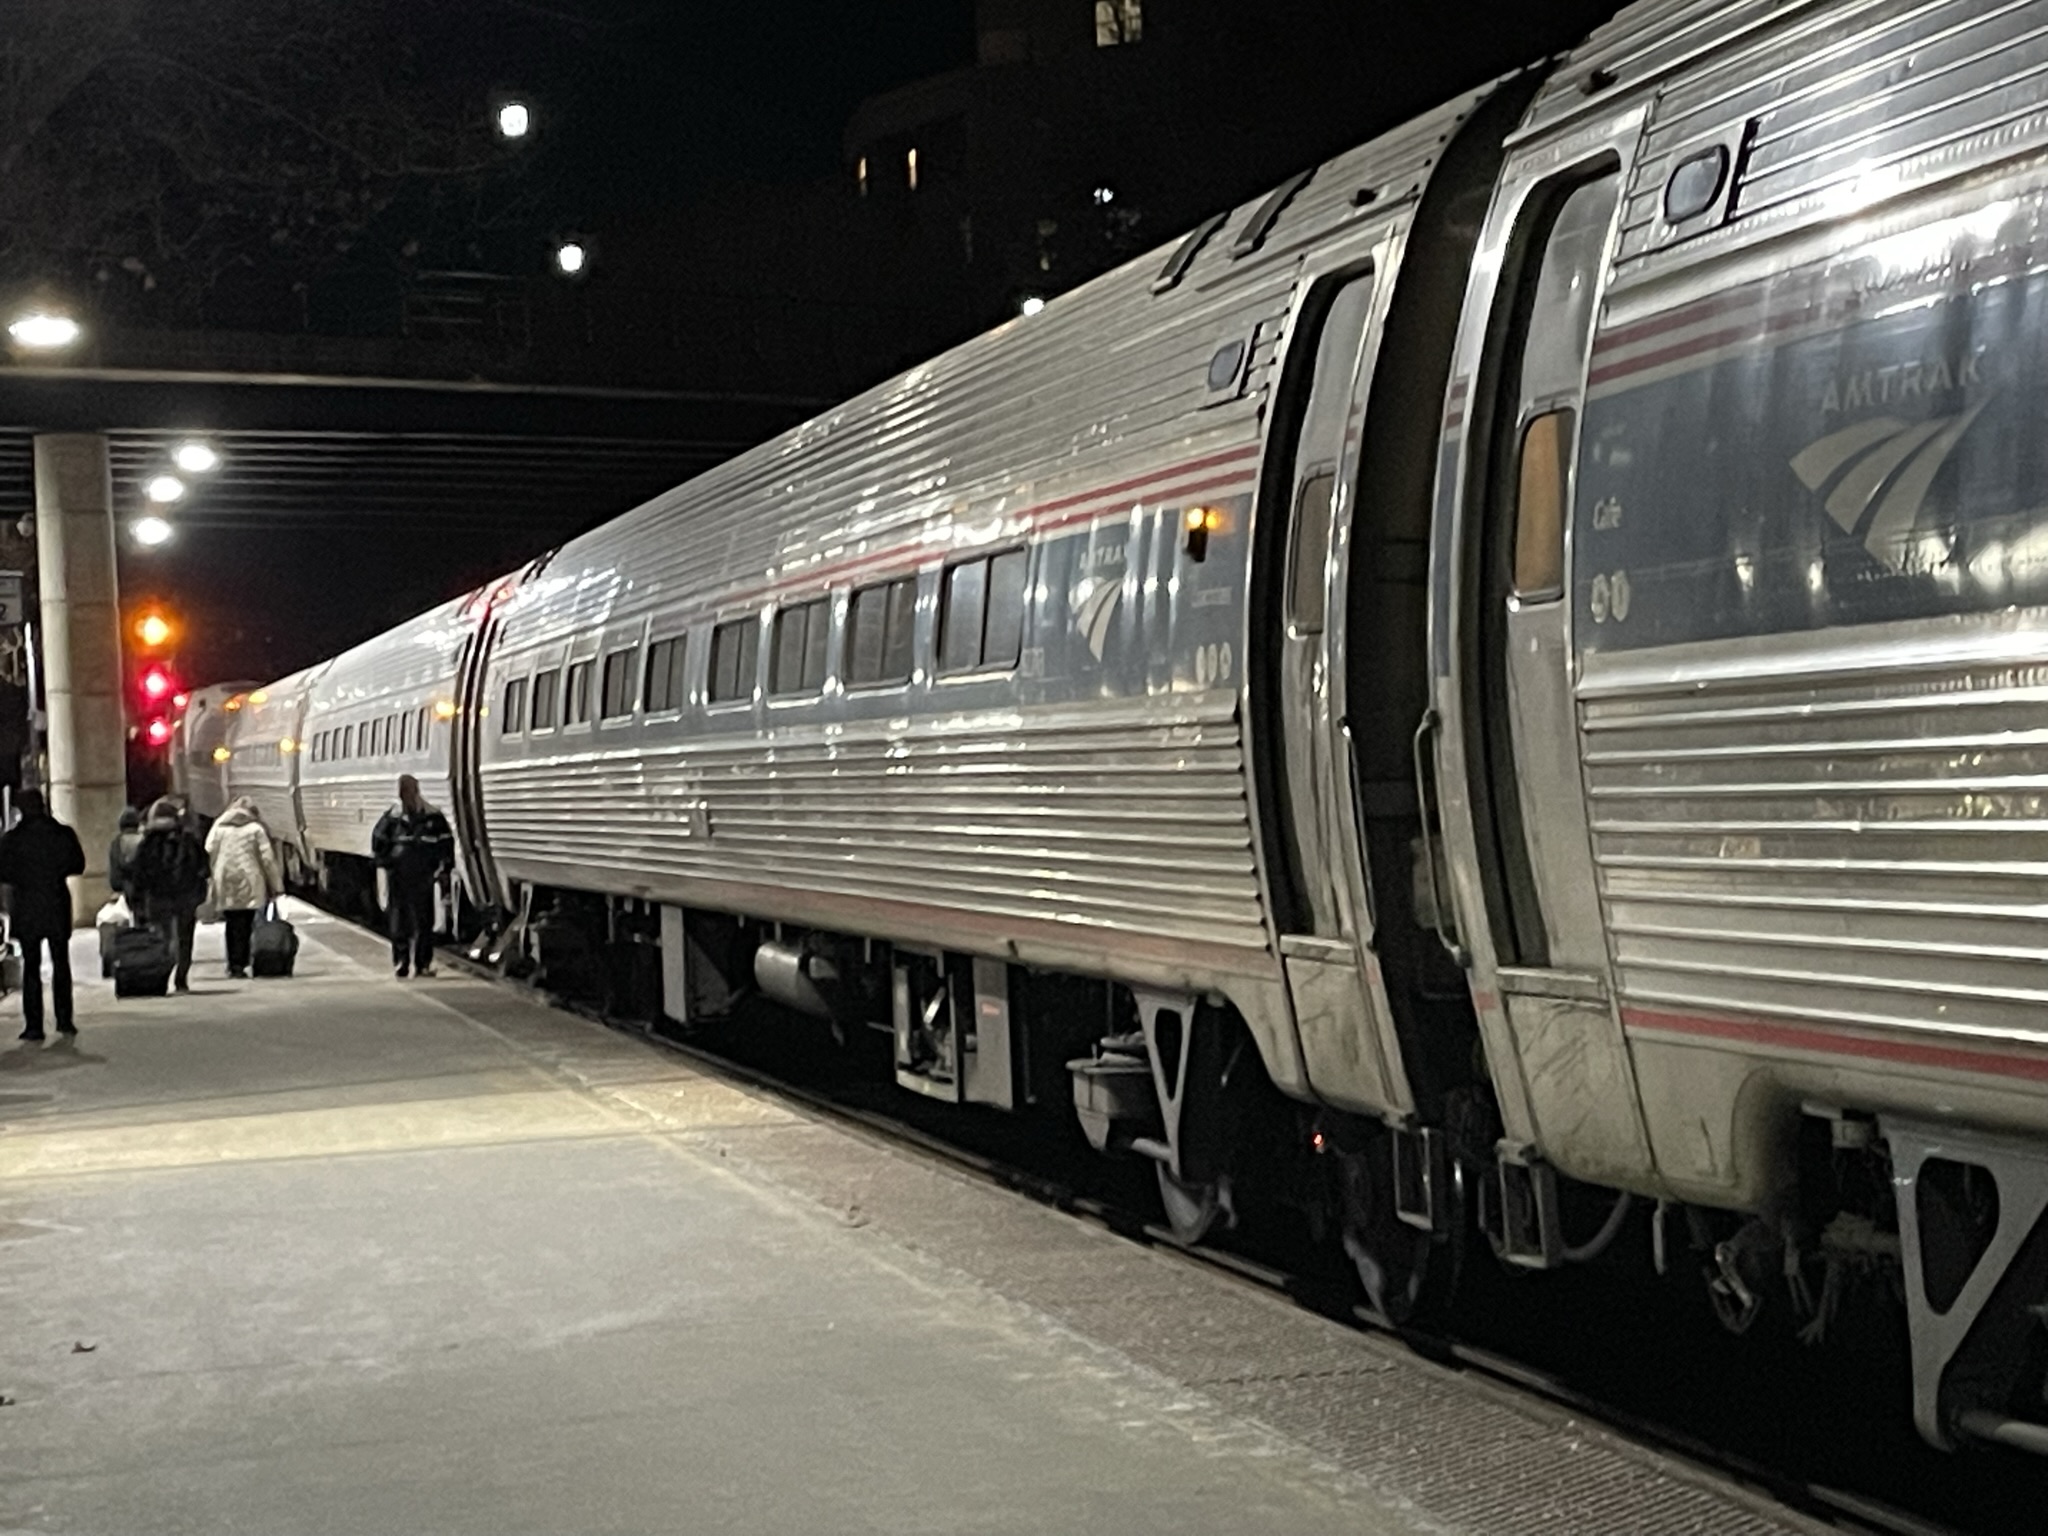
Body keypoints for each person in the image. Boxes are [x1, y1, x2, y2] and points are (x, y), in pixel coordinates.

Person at [0, 790, 86, 1042]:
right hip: (56, 900)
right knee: (61, 962)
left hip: (27, 903)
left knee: (31, 966)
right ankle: (64, 1019)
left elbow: (3, 872)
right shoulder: (62, 833)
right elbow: (77, 865)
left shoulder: (12, 840)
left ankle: (34, 1025)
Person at [371, 775, 453, 978]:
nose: (405, 795)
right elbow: (378, 844)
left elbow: (446, 843)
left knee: (423, 921)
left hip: (423, 875)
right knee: (400, 920)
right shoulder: (391, 818)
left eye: (408, 790)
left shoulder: (432, 817)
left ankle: (421, 963)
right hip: (399, 876)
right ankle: (402, 961)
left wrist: (443, 868)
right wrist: (386, 863)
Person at [131, 796, 209, 993]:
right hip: (185, 897)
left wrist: (137, 901)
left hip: (157, 898)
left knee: (161, 938)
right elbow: (203, 867)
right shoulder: (188, 840)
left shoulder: (147, 843)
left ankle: (161, 976)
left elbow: (138, 874)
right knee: (185, 938)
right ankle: (181, 979)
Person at [204, 797, 282, 979]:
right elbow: (268, 859)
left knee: (232, 923)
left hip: (226, 880)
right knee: (247, 922)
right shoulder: (256, 829)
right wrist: (276, 885)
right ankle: (245, 960)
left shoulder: (219, 828)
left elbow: (208, 848)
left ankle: (234, 964)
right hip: (250, 879)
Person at [106, 806, 143, 905]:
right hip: (142, 890)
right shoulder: (144, 840)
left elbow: (114, 871)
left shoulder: (117, 843)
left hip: (124, 891)